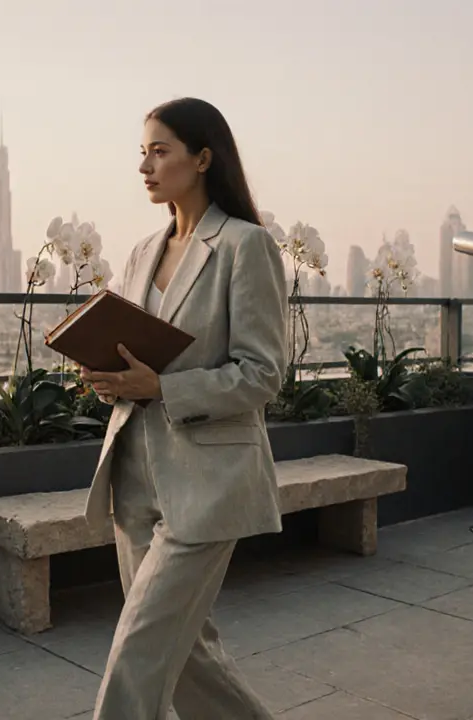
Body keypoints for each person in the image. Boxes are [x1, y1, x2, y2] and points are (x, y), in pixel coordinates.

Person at [79, 97, 287, 720]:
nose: (145, 165)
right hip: (135, 479)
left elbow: (263, 374)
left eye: (160, 150)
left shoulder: (246, 247)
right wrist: (112, 377)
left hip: (209, 483)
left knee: (138, 651)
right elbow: (138, 356)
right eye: (141, 152)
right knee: (187, 654)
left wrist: (162, 389)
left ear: (202, 158)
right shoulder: (143, 252)